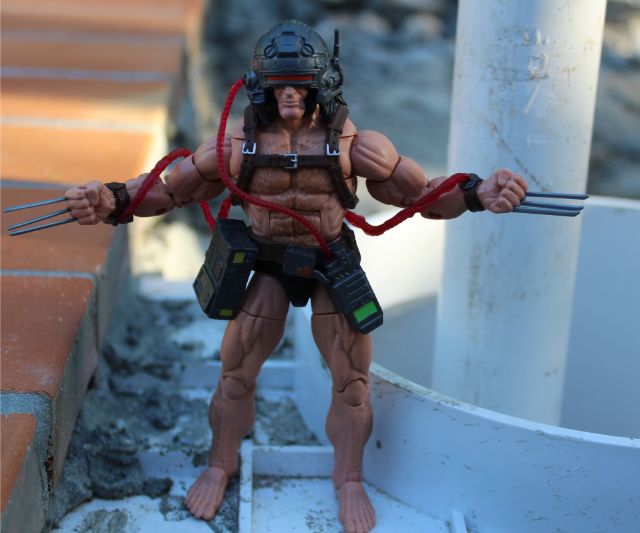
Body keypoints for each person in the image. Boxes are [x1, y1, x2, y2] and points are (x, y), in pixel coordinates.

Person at [64, 20, 527, 533]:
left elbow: (419, 196)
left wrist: (476, 193)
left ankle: (348, 478)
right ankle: (221, 464)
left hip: (329, 261)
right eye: (279, 85)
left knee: (352, 382)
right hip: (268, 263)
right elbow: (172, 189)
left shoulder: (358, 145)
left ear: (321, 85)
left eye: (300, 85)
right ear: (259, 85)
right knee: (235, 372)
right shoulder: (235, 145)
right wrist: (112, 200)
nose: (289, 96)